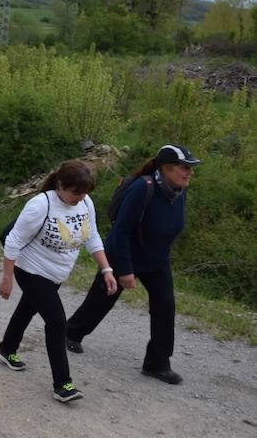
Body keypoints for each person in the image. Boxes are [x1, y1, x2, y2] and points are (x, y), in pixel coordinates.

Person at [65, 145, 200, 385]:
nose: (189, 172)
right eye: (184, 167)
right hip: (123, 254)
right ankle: (70, 333)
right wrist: (126, 270)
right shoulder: (142, 188)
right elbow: (121, 231)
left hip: (157, 259)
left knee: (165, 306)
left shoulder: (179, 191)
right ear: (166, 168)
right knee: (102, 299)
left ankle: (157, 363)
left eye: (190, 168)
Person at [0, 160, 117, 403]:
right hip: (31, 270)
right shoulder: (41, 205)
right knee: (57, 321)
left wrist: (106, 269)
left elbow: (92, 237)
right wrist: (7, 278)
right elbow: (13, 241)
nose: (80, 198)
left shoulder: (85, 202)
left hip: (57, 273)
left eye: (84, 193)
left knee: (28, 308)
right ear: (60, 185)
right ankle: (62, 384)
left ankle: (7, 349)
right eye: (75, 192)